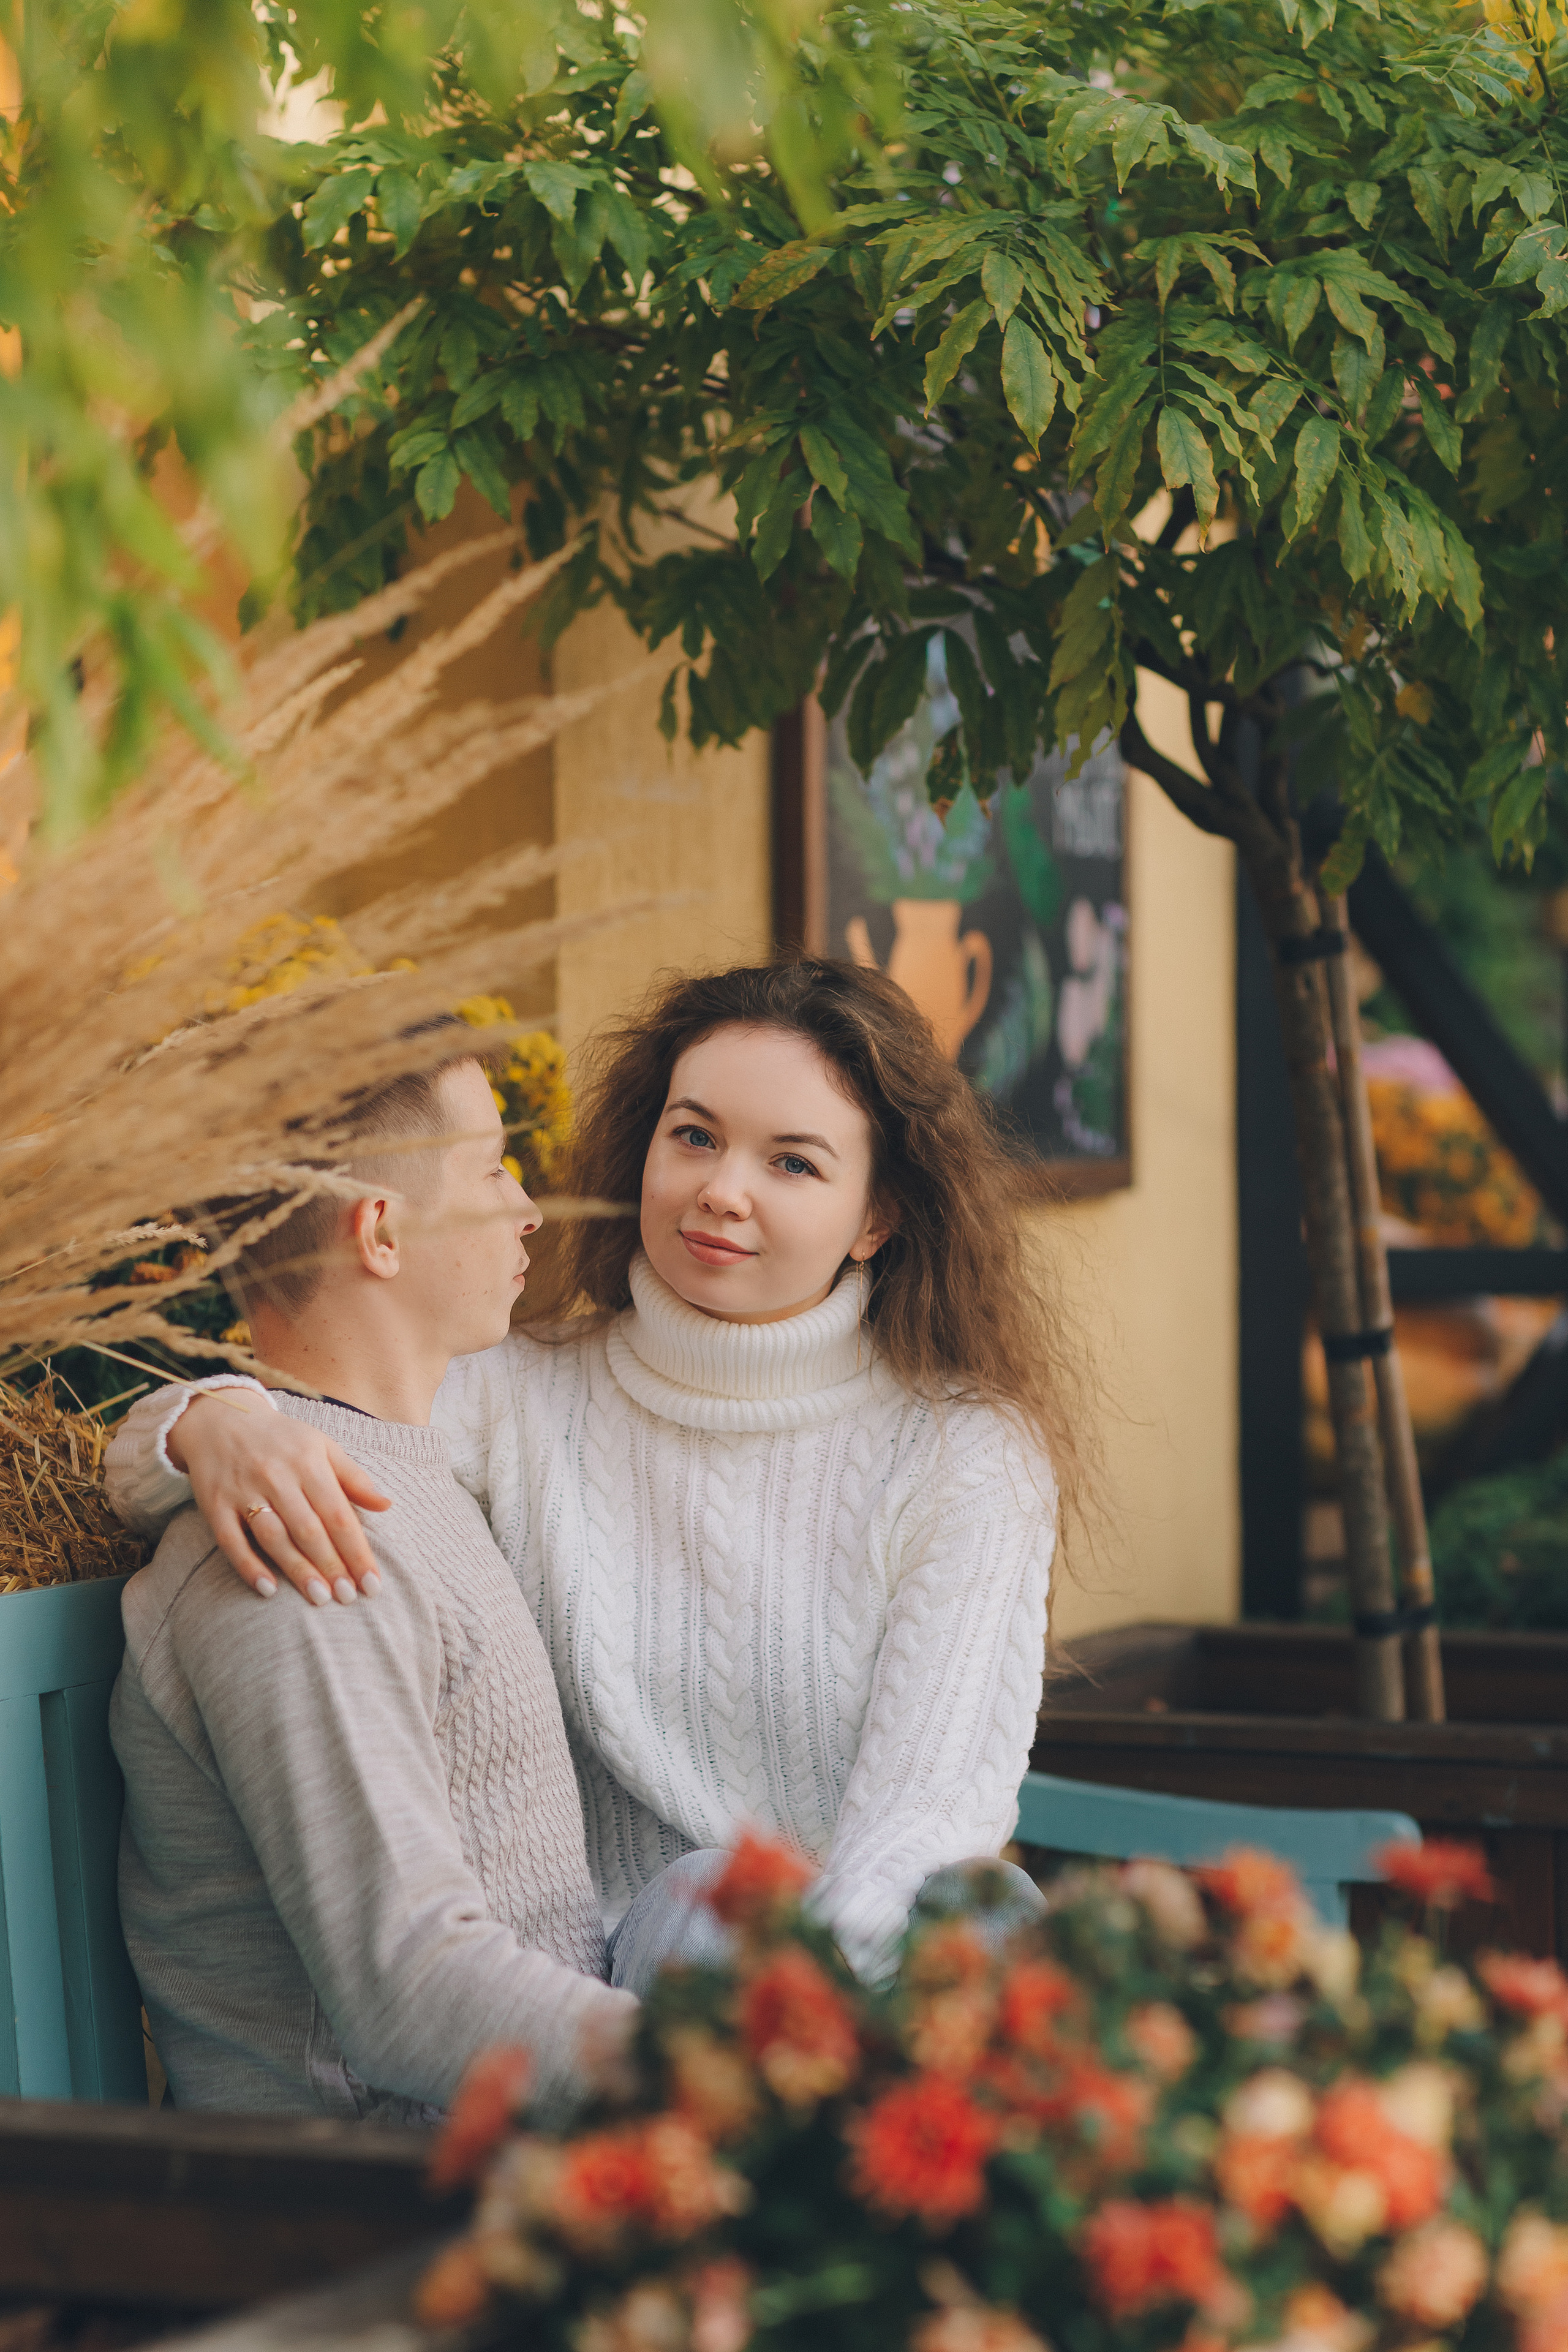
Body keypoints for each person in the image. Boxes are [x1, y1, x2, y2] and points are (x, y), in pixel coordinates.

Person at [108, 962, 1084, 1992]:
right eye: (694, 1135)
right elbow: (270, 1429)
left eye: (792, 1164)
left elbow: (926, 1824)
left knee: (986, 1918)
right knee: (711, 1896)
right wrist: (205, 1421)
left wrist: (808, 2033)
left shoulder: (965, 1452)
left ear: (877, 1217)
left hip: (844, 2002)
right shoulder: (516, 1395)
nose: (721, 1188)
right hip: (606, 2004)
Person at [109, 1046, 636, 2118]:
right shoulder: (296, 1552)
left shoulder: (377, 1468)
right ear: (383, 1232)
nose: (528, 1209)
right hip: (379, 2207)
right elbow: (407, 1992)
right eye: (493, 1172)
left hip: (533, 2145)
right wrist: (740, 2075)